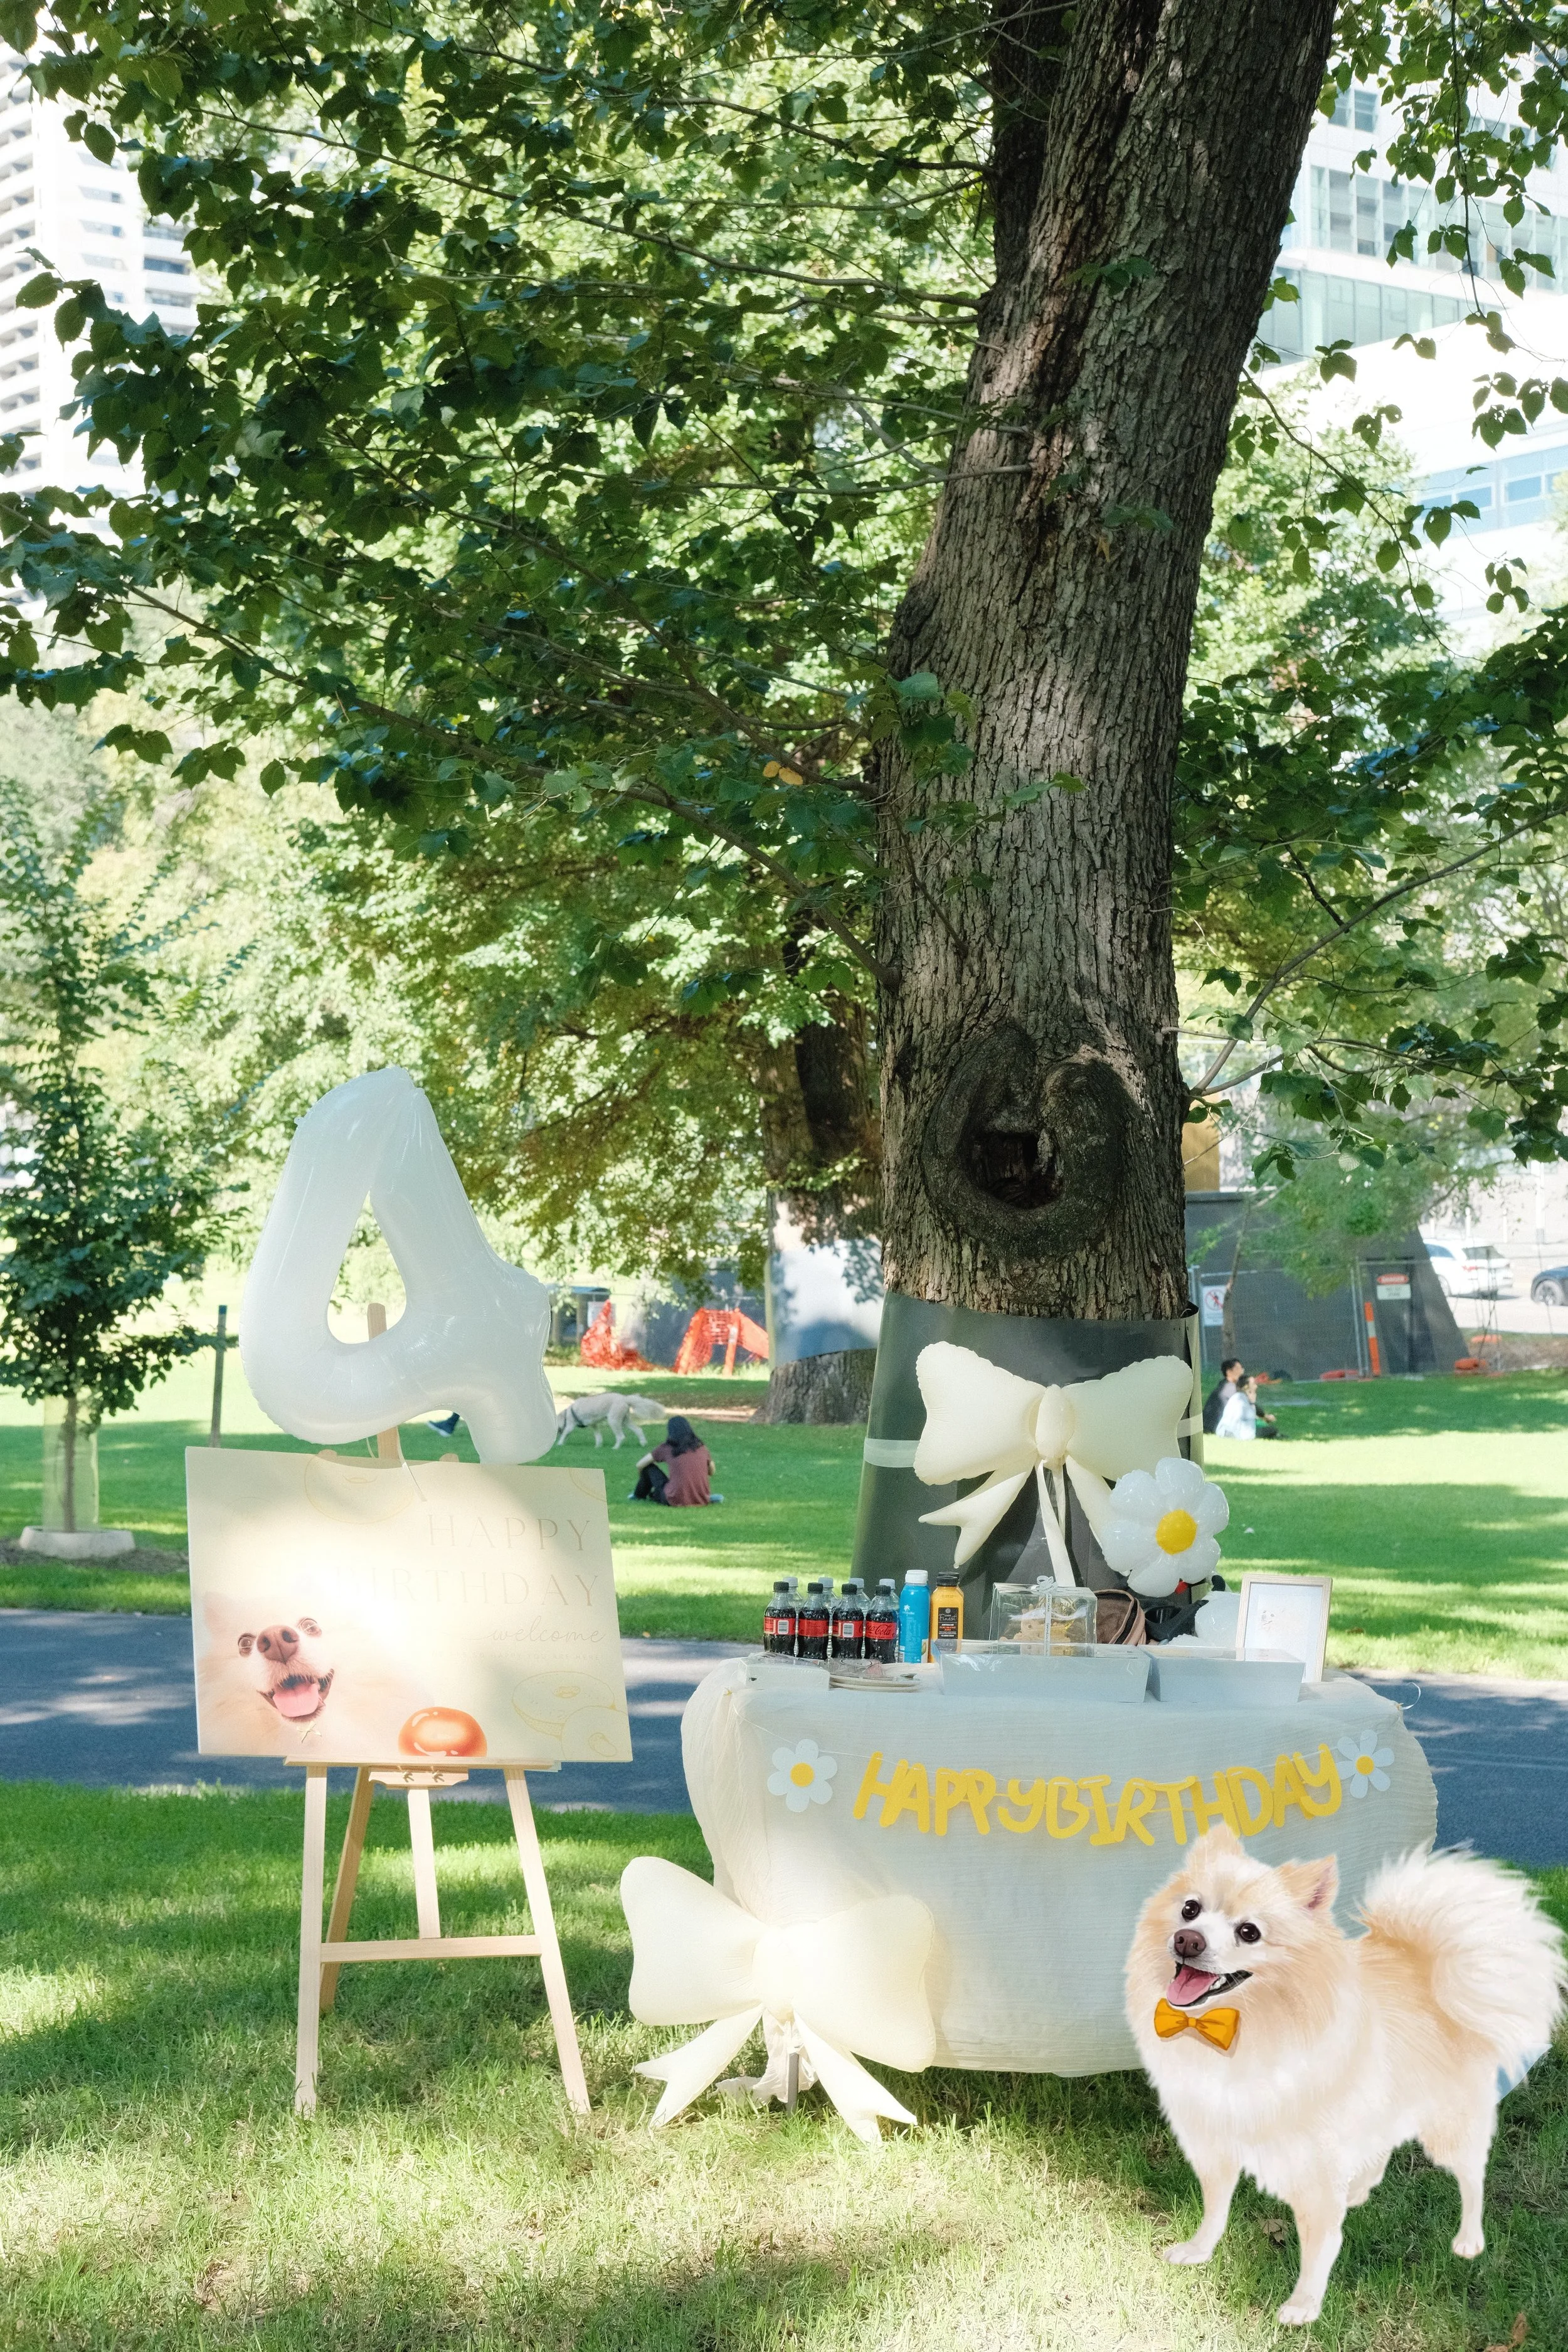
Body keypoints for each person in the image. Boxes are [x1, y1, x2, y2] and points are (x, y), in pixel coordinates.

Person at [630, 1414, 721, 1504]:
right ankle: (697, 1496)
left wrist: (644, 1480)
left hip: (674, 1498)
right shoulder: (701, 1448)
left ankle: (638, 1495)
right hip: (702, 1499)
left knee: (648, 1468)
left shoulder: (667, 1447)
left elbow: (640, 1465)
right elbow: (712, 1472)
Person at [1216, 1372, 1279, 1440]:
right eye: (1254, 1384)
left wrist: (1264, 1416)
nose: (1256, 1386)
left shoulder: (1234, 1398)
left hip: (1224, 1431)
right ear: (1246, 1387)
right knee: (1272, 1430)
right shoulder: (1245, 1401)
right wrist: (1253, 1402)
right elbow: (1251, 1416)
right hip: (1238, 1433)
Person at [1202, 1357, 1244, 1434]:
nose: (1241, 1372)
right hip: (1216, 1428)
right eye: (1238, 1369)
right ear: (1229, 1372)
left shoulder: (1224, 1386)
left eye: (1241, 1369)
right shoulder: (1230, 1389)